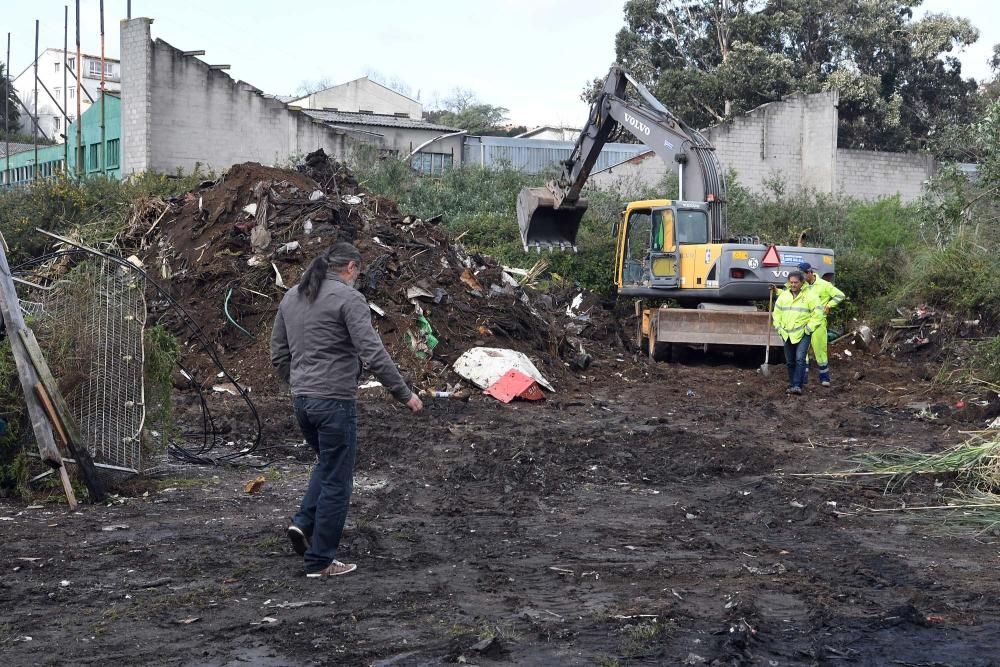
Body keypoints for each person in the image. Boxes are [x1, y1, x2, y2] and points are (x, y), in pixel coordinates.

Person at [271, 242, 423, 578]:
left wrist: (299, 383)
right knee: (339, 480)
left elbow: (278, 355)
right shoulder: (349, 299)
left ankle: (303, 523)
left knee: (328, 463)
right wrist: (404, 393)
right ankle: (320, 561)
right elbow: (372, 351)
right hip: (334, 402)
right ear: (351, 267)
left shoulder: (292, 296)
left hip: (303, 402)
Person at [772, 270, 824, 395]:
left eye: (796, 282)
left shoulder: (810, 296)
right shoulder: (784, 296)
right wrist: (779, 328)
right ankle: (793, 383)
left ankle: (796, 385)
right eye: (791, 282)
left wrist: (809, 329)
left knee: (800, 358)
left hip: (803, 333)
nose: (793, 285)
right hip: (787, 333)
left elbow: (818, 314)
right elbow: (777, 313)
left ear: (801, 283)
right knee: (790, 361)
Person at [797, 262, 846, 387]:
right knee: (803, 351)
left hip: (818, 323)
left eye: (802, 274)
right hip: (804, 322)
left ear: (809, 273)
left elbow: (840, 295)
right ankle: (803, 378)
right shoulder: (802, 286)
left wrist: (829, 305)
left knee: (820, 350)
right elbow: (787, 293)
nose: (800, 277)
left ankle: (825, 378)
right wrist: (776, 290)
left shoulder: (824, 285)